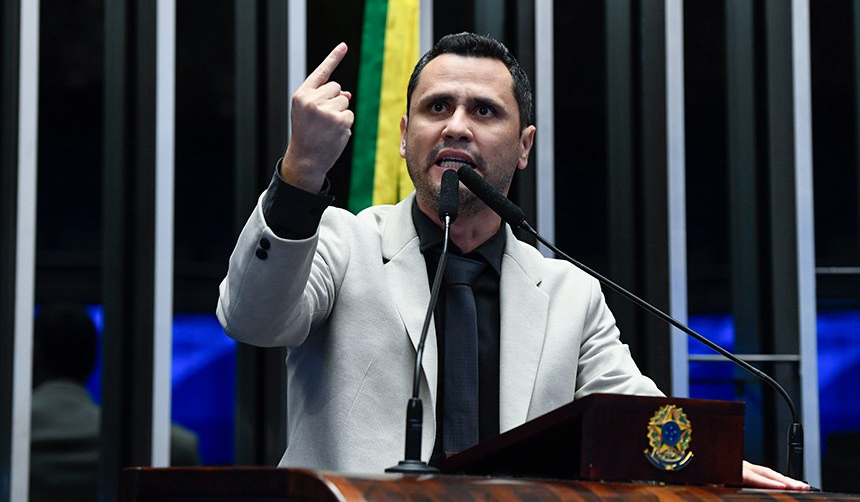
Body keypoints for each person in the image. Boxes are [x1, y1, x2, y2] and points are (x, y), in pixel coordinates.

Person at [217, 32, 808, 490]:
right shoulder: (342, 242)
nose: (455, 126)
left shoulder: (569, 294)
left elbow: (639, 422)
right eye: (437, 107)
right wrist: (301, 172)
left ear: (524, 146)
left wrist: (715, 463)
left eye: (484, 111)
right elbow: (252, 319)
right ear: (404, 135)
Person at [30, 304, 200, 502]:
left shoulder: (15, 437)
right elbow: (183, 446)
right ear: (93, 361)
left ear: (34, 355)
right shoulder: (171, 447)